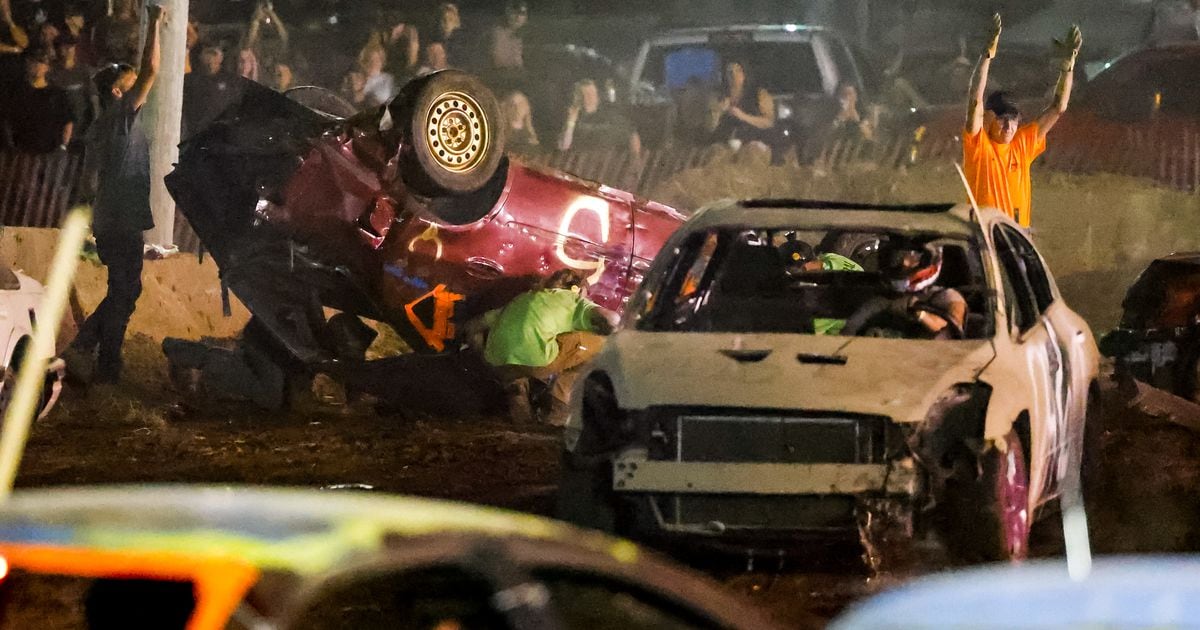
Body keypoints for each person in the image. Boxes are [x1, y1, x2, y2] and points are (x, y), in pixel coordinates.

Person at [63, 3, 164, 386]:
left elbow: (88, 180)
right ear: (119, 91)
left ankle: (93, 353)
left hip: (110, 218)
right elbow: (152, 69)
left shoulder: (100, 128)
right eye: (130, 78)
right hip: (122, 219)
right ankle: (99, 360)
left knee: (124, 289)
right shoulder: (122, 115)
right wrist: (154, 22)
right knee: (125, 292)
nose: (138, 80)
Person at [962, 14, 1082, 227]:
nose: (1009, 126)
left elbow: (1059, 107)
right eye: (1002, 119)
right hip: (985, 236)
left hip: (1018, 236)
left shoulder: (1022, 145)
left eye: (1013, 119)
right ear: (989, 118)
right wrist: (986, 56)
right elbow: (975, 100)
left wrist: (1067, 69)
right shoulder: (979, 146)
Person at [472, 269, 614, 425]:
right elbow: (611, 318)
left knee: (519, 370)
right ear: (578, 290)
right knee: (602, 345)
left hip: (499, 363)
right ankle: (559, 405)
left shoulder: (523, 298)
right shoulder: (573, 300)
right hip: (536, 362)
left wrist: (484, 357)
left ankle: (519, 405)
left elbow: (472, 327)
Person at [844, 240, 966, 340]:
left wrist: (920, 314)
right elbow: (847, 332)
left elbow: (954, 331)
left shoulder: (948, 296)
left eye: (914, 258)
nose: (904, 263)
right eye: (899, 256)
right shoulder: (880, 299)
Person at [2, 47, 74, 153]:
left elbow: (68, 122)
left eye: (41, 62)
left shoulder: (57, 94)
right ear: (27, 63)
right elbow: (6, 118)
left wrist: (63, 146)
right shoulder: (16, 90)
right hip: (19, 151)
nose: (36, 66)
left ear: (48, 66)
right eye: (33, 61)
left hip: (48, 152)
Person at [557, 78, 641, 156]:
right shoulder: (573, 116)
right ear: (578, 97)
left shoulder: (609, 115)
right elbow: (564, 146)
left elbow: (631, 133)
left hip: (603, 164)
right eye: (586, 94)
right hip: (575, 162)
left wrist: (635, 159)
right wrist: (571, 121)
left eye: (593, 93)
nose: (591, 97)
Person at [712, 61, 776, 151]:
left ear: (745, 74)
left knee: (752, 151)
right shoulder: (721, 97)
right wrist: (719, 112)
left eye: (738, 70)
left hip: (755, 142)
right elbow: (712, 128)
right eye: (730, 72)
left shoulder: (759, 94)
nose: (734, 76)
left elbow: (769, 122)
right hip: (727, 144)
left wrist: (742, 116)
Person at [182, 42, 242, 139]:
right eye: (208, 54)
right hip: (195, 132)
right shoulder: (190, 80)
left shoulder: (230, 80)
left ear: (220, 58)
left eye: (214, 54)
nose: (210, 59)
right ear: (201, 57)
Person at [50, 32, 98, 143]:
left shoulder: (84, 71)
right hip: (57, 129)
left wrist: (92, 124)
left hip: (81, 128)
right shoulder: (51, 72)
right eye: (64, 47)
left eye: (71, 46)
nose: (68, 50)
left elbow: (94, 100)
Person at [357, 43, 395, 108]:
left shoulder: (387, 79)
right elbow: (355, 99)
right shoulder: (357, 77)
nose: (373, 64)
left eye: (377, 60)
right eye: (370, 60)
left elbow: (387, 100)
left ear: (382, 61)